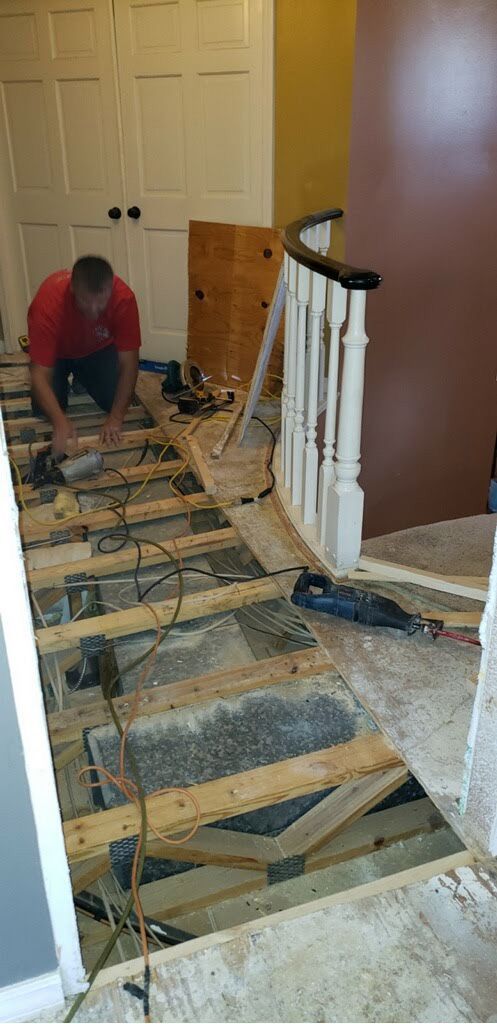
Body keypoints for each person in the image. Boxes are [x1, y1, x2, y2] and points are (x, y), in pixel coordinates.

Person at [28, 256, 141, 456]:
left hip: (97, 349)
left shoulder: (124, 298)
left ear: (110, 290)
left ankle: (83, 377)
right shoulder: (47, 303)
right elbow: (39, 374)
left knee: (116, 402)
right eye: (85, 303)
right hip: (57, 355)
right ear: (73, 290)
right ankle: (74, 376)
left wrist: (115, 418)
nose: (93, 312)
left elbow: (129, 363)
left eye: (101, 304)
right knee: (45, 411)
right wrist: (60, 421)